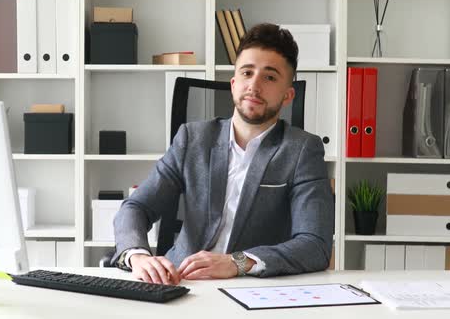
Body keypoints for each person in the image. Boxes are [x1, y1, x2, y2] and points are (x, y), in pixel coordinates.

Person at [112, 23, 334, 285]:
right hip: (180, 280)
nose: (254, 85)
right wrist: (138, 256)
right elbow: (136, 207)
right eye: (247, 73)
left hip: (252, 286)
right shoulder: (192, 139)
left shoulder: (302, 150)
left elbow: (315, 245)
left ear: (288, 96)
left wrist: (237, 262)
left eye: (270, 77)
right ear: (233, 83)